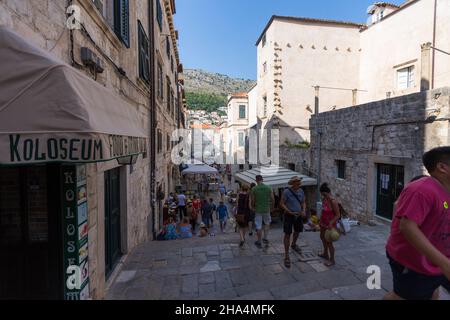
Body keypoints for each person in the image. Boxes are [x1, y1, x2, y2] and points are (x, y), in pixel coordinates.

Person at [384, 147, 450, 300]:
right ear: (442, 167)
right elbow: (407, 227)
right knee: (402, 296)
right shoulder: (422, 190)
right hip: (414, 263)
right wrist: (445, 264)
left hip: (438, 262)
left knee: (431, 290)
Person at [280, 176, 306, 268]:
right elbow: (282, 203)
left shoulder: (301, 191)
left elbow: (303, 202)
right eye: (297, 182)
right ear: (293, 183)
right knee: (287, 234)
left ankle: (294, 244)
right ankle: (286, 256)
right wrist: (288, 211)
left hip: (298, 215)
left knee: (298, 231)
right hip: (289, 215)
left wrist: (304, 210)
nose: (299, 183)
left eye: (299, 182)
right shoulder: (286, 192)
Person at [318, 183, 341, 267]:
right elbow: (323, 210)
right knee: (322, 238)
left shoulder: (333, 201)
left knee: (329, 242)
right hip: (323, 223)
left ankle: (332, 260)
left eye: (324, 194)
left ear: (326, 193)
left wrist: (331, 223)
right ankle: (325, 253)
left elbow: (338, 215)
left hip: (330, 224)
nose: (323, 196)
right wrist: (320, 220)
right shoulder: (324, 199)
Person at [249, 175, 274, 248]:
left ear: (256, 180)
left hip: (258, 210)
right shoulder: (268, 188)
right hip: (267, 209)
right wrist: (272, 207)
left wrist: (253, 207)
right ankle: (265, 238)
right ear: (262, 180)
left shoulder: (254, 189)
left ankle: (259, 241)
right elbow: (273, 199)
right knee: (267, 223)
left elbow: (253, 200)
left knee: (258, 225)